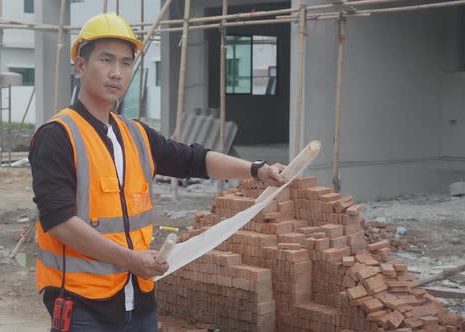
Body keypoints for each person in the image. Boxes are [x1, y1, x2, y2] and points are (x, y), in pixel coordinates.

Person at [29, 13, 286, 332]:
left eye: (125, 63)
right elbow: (59, 222)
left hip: (138, 299)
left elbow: (195, 160)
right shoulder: (57, 135)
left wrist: (256, 170)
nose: (116, 73)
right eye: (106, 60)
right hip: (82, 302)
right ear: (81, 66)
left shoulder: (135, 134)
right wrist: (130, 259)